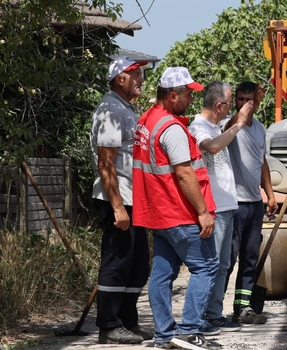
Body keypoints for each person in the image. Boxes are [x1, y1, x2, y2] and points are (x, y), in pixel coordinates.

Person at [132, 67, 218, 350]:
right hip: (180, 213)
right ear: (172, 96)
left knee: (162, 274)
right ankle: (190, 330)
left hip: (158, 214)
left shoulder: (146, 121)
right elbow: (184, 173)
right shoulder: (171, 128)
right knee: (205, 267)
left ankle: (164, 335)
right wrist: (203, 211)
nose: (191, 100)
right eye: (188, 94)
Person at [90, 57, 153, 345]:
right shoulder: (111, 111)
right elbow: (106, 164)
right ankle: (109, 324)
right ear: (120, 79)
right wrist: (117, 206)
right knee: (117, 263)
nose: (141, 79)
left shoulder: (126, 108)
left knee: (138, 264)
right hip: (119, 200)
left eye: (141, 74)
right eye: (136, 74)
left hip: (133, 200)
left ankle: (128, 320)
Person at [188, 81, 252, 334]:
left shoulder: (214, 126)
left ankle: (214, 313)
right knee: (210, 264)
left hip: (227, 206)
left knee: (223, 264)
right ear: (218, 105)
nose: (230, 109)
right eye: (228, 104)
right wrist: (238, 124)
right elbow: (212, 147)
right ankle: (201, 316)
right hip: (213, 207)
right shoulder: (198, 127)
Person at [222, 81, 279, 324]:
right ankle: (212, 307)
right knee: (228, 258)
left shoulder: (259, 129)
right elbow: (226, 128)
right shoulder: (233, 125)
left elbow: (261, 161)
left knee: (249, 258)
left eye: (249, 100)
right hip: (234, 203)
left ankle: (242, 307)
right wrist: (241, 115)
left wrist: (270, 194)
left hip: (254, 203)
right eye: (240, 99)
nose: (244, 104)